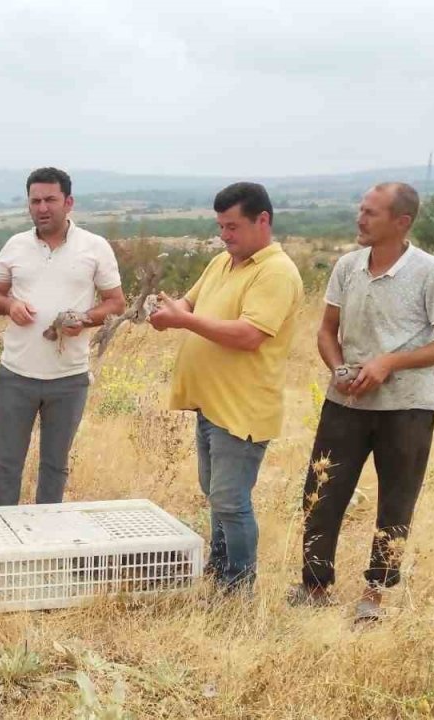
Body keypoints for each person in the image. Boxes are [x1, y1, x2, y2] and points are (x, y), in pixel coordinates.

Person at [290, 182, 434, 620]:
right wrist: (337, 368)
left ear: (401, 222)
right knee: (322, 491)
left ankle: (375, 594)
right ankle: (314, 587)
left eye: (371, 213)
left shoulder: (429, 272)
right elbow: (327, 331)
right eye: (360, 210)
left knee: (396, 501)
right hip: (345, 402)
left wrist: (390, 362)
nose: (360, 219)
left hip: (407, 408)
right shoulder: (348, 266)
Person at [149, 182, 303, 592]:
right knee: (216, 496)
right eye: (221, 226)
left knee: (232, 502)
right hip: (210, 403)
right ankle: (220, 572)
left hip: (243, 408)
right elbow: (189, 303)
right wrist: (170, 313)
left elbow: (249, 334)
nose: (225, 235)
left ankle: (238, 587)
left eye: (232, 226)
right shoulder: (223, 262)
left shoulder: (276, 272)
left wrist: (184, 320)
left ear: (263, 220)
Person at [0, 167, 125, 506]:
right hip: (16, 373)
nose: (42, 208)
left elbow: (116, 302)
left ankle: (46, 538)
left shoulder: (95, 247)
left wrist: (86, 319)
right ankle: (1, 538)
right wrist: (10, 304)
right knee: (7, 463)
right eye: (35, 201)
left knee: (54, 465)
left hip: (68, 378)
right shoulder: (15, 245)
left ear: (69, 202)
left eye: (50, 200)